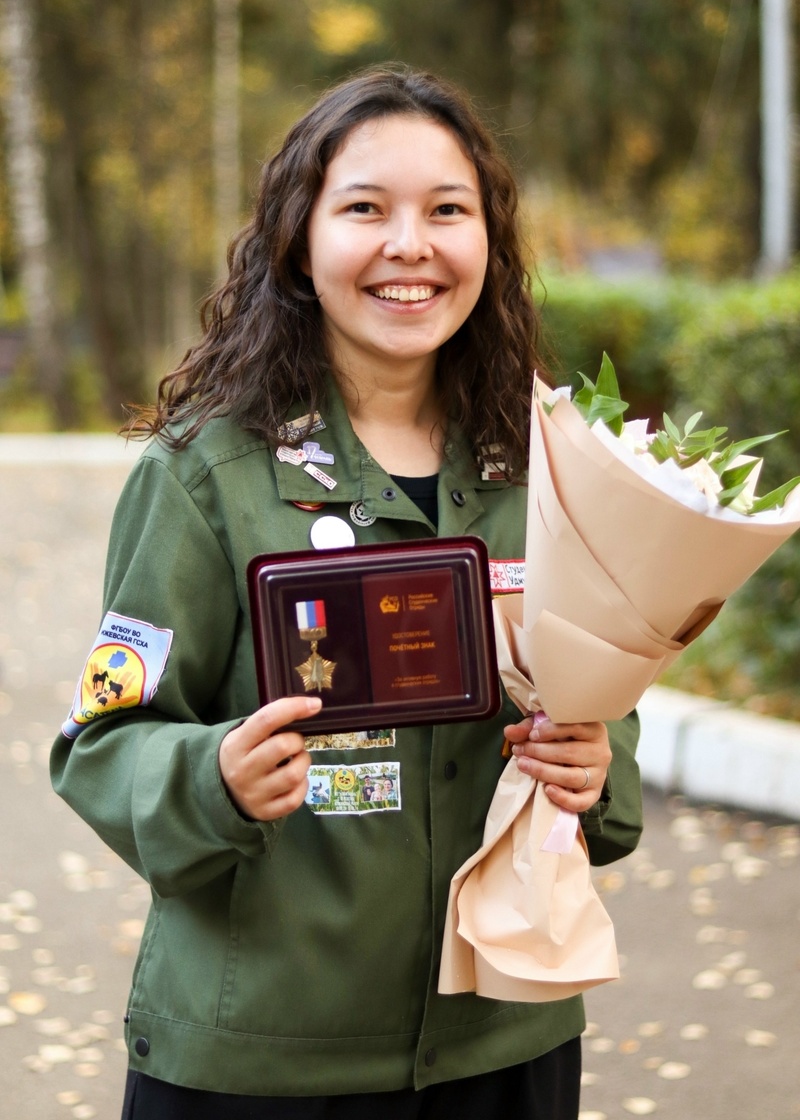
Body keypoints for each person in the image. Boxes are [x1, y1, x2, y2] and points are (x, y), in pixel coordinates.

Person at [51, 65, 642, 1120]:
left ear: (488, 247)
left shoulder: (548, 465)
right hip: (261, 1063)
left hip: (502, 1040)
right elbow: (101, 743)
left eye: (446, 211)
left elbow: (602, 719)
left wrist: (596, 766)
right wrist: (214, 776)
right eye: (364, 208)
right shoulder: (203, 475)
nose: (408, 245)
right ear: (298, 240)